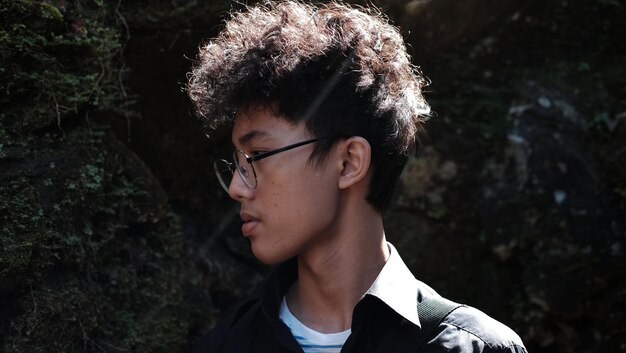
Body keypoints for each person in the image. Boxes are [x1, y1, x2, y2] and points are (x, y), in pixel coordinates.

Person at [187, 1, 527, 352]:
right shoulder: (224, 346)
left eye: (257, 156)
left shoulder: (473, 347)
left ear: (350, 162)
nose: (236, 187)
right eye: (238, 164)